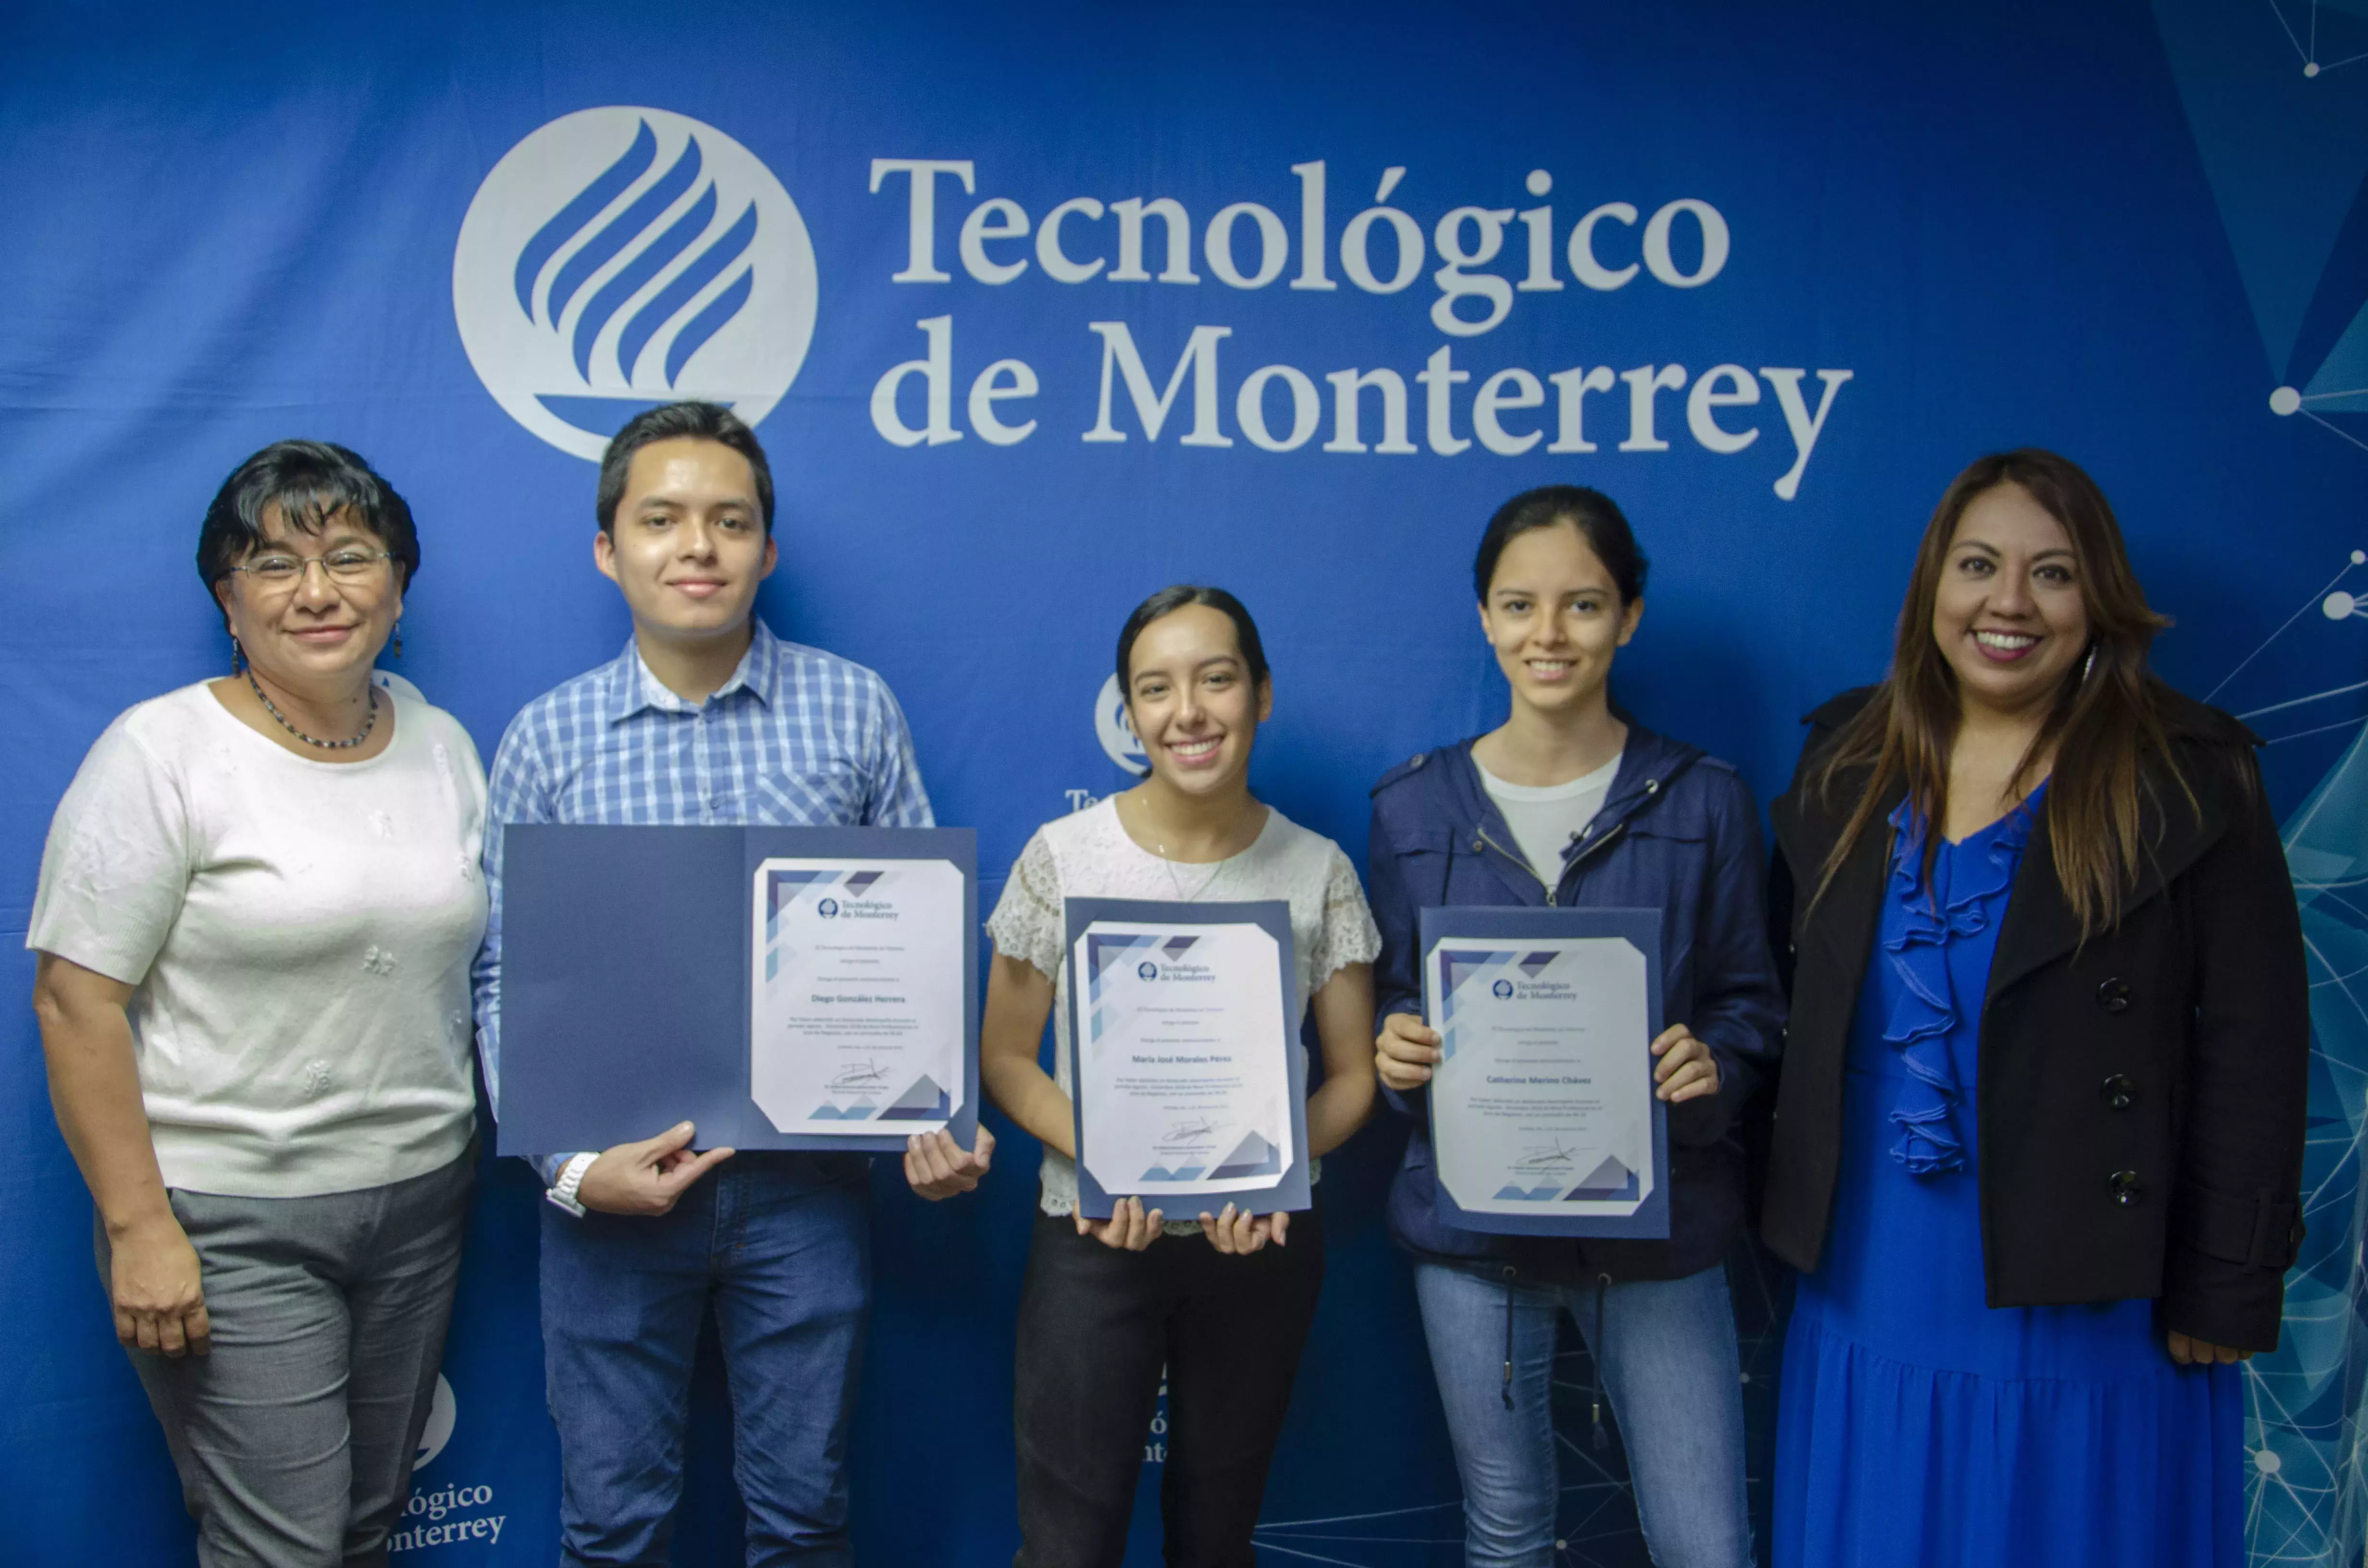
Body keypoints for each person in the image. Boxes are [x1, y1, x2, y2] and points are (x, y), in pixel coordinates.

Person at [1762, 449, 2310, 1566]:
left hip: (2093, 1289)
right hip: (1873, 1272)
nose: (2007, 603)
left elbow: (2257, 1047)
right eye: (1978, 566)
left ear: (2096, 599)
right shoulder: (1844, 758)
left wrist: (2228, 1281)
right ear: (1933, 590)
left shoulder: (2189, 774)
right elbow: (1781, 1016)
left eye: (2051, 574)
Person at [470, 401, 990, 1568]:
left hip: (806, 1193)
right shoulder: (548, 740)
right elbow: (500, 971)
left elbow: (915, 940)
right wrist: (564, 1169)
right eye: (661, 519)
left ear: (769, 547)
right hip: (608, 1192)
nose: (696, 545)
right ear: (610, 548)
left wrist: (932, 1115)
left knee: (804, 1521)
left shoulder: (854, 709)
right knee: (612, 1531)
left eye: (729, 520)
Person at [27, 441, 485, 1565]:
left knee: (367, 1529)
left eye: (349, 555)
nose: (318, 591)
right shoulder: (162, 752)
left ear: (399, 581)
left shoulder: (440, 744)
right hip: (229, 1222)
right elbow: (73, 1003)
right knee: (280, 1548)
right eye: (273, 565)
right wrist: (142, 1231)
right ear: (227, 601)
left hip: (421, 1204)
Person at [1369, 485, 1782, 1568]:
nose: (1546, 636)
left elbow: (1751, 1006)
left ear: (1629, 616)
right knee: (1505, 1536)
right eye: (1518, 606)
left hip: (1659, 1231)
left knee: (1706, 1547)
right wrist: (1398, 1052)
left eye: (1582, 605)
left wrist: (1714, 1068)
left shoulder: (1706, 802)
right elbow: (1393, 1009)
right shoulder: (1410, 808)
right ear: (1484, 617)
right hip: (1473, 1242)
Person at [980, 585, 1379, 1568]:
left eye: (1216, 679)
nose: (1187, 712)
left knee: (1216, 1535)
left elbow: (1353, 1080)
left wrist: (1269, 1170)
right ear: (1129, 712)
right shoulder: (1062, 857)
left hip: (1259, 1243)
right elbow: (1003, 1057)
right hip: (1093, 1235)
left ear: (1261, 694)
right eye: (1155, 689)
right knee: (1067, 1542)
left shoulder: (1316, 869)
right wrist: (1112, 1155)